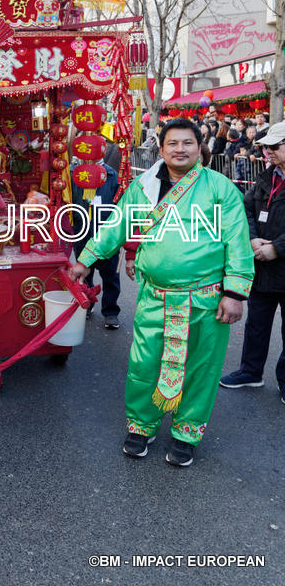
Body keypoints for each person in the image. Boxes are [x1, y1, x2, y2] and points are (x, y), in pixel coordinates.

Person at [69, 118, 254, 467]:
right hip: (155, 296)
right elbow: (117, 224)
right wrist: (86, 259)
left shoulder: (220, 188)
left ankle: (187, 432)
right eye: (173, 143)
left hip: (207, 297)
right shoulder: (144, 186)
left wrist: (236, 292)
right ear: (161, 148)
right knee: (144, 364)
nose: (180, 149)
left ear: (201, 148)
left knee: (200, 368)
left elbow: (238, 241)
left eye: (187, 143)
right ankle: (141, 425)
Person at [220, 121, 285, 404]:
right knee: (257, 323)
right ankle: (250, 371)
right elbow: (246, 207)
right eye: (266, 147)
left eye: (274, 147)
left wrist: (278, 248)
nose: (268, 152)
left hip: (278, 260)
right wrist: (252, 239)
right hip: (262, 265)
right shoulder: (267, 176)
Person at [72, 159, 121, 329]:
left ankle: (110, 312)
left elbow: (120, 202)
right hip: (82, 232)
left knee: (111, 276)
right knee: (85, 274)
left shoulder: (112, 174)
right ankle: (87, 303)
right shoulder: (74, 172)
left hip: (106, 234)